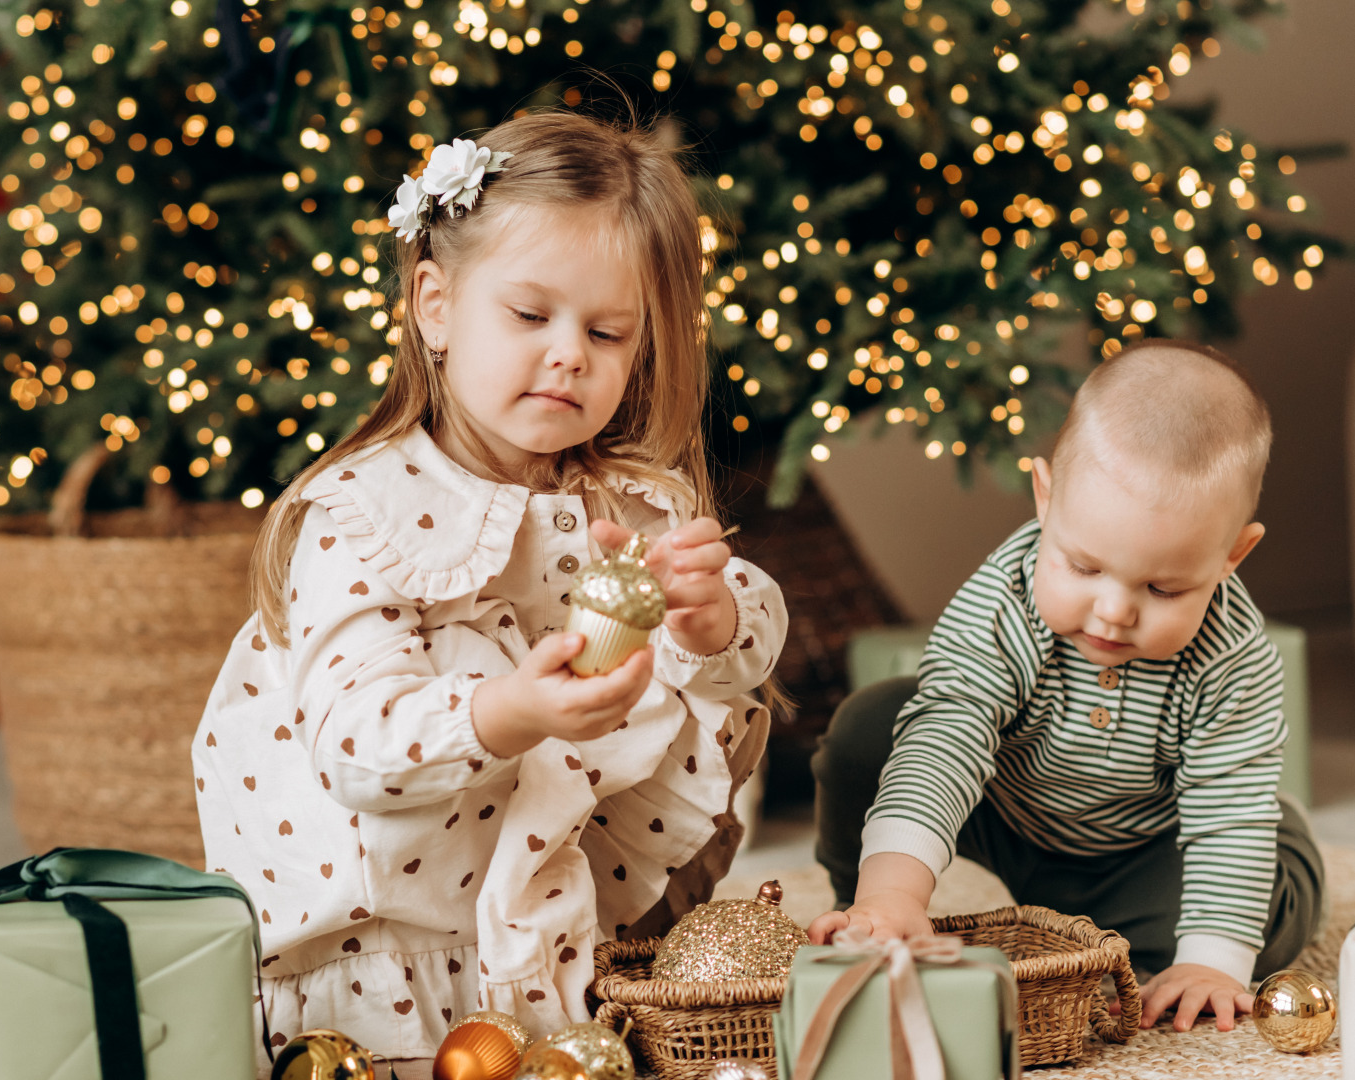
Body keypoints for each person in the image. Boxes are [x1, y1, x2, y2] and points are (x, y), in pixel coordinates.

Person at [193, 111, 787, 1059]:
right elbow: (359, 744)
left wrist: (707, 621)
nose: (569, 353)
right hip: (392, 948)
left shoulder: (625, 499)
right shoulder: (363, 516)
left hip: (562, 922)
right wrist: (513, 709)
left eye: (607, 331)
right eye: (529, 315)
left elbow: (749, 632)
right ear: (434, 305)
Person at [808, 340, 1323, 1035]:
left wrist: (1213, 961)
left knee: (1243, 912)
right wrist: (892, 892)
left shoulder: (1231, 655)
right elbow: (948, 738)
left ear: (1231, 554)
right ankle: (863, 911)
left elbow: (1225, 816)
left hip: (1149, 841)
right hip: (1004, 810)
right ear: (1045, 498)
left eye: (1162, 586)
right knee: (874, 726)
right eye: (1083, 568)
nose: (1112, 611)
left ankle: (1167, 935)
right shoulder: (1002, 602)